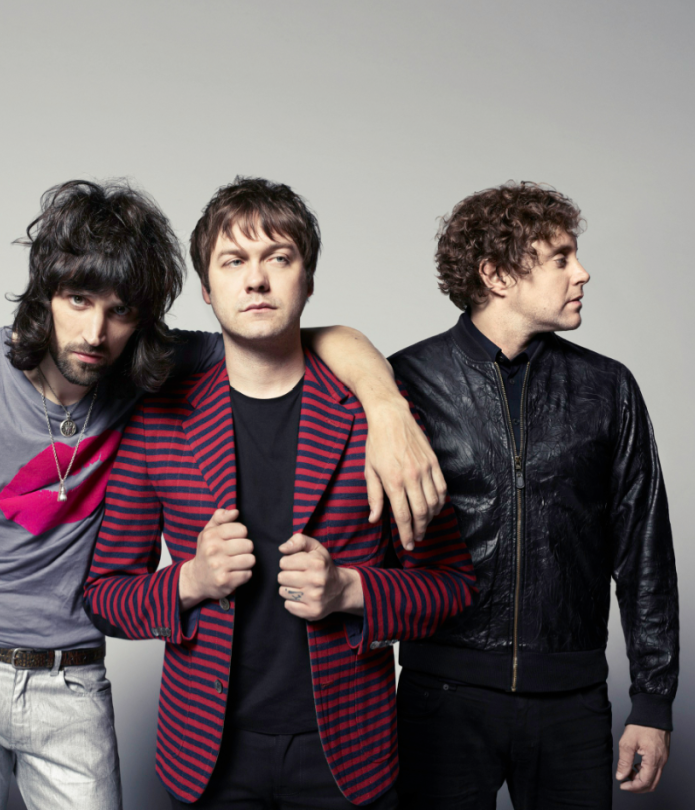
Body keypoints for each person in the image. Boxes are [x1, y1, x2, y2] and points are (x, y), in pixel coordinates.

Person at [0, 179, 453, 810]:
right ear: (46, 293)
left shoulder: (151, 374)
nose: (95, 332)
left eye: (120, 310)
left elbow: (294, 336)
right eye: (78, 299)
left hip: (86, 681)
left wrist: (385, 405)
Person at [82, 177, 476, 809]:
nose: (257, 280)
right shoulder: (159, 420)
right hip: (204, 756)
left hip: (351, 754)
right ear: (207, 289)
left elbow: (451, 586)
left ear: (308, 280)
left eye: (279, 258)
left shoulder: (378, 421)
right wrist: (189, 581)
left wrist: (349, 590)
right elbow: (105, 595)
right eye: (233, 261)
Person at [390, 181, 679, 810]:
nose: (583, 272)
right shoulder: (405, 384)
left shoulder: (607, 388)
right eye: (561, 258)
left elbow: (645, 553)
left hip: (572, 703)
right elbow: (367, 542)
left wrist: (653, 702)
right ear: (496, 275)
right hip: (442, 700)